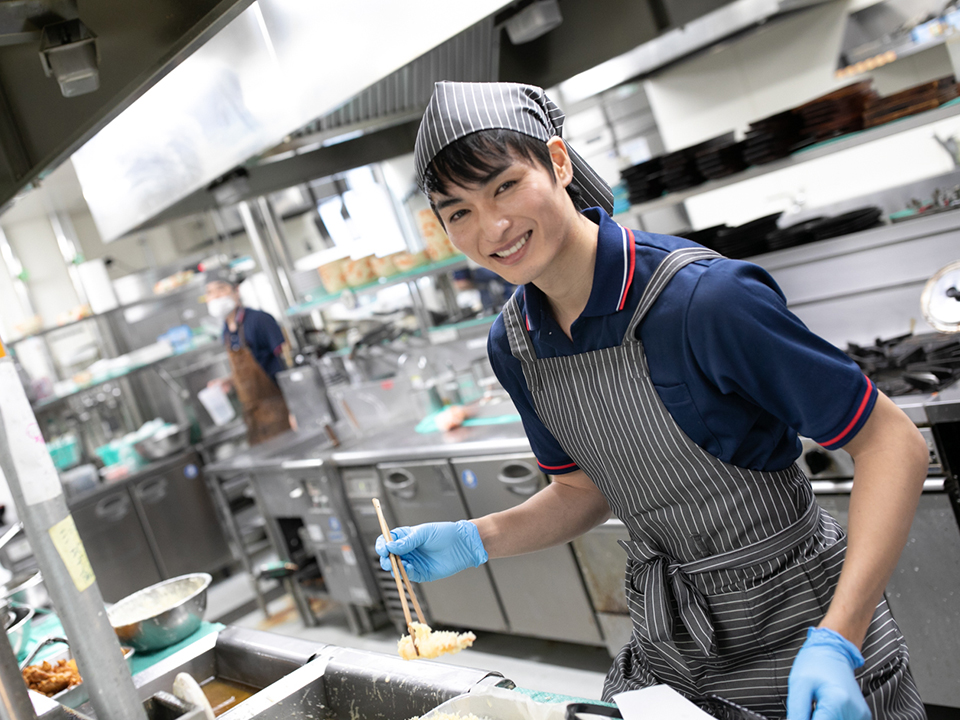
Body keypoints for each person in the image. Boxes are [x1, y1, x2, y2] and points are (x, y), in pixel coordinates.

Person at [376, 82, 929, 720]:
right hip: (671, 652)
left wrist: (839, 639)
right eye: (458, 212)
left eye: (504, 186)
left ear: (558, 163)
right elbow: (585, 492)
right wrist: (478, 538)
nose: (491, 228)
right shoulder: (516, 344)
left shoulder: (704, 300)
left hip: (804, 629)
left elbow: (893, 442)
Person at [205, 270, 291, 445]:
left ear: (236, 291)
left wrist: (295, 410)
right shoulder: (226, 331)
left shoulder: (260, 320)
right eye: (209, 292)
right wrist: (229, 381)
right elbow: (249, 369)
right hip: (254, 414)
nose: (215, 296)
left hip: (280, 406)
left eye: (220, 289)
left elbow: (288, 360)